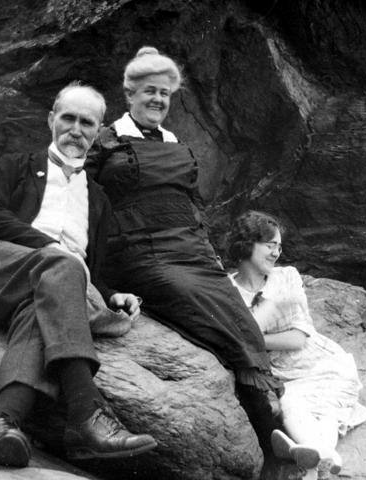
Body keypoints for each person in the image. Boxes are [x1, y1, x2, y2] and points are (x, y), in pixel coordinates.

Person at [0, 82, 157, 467]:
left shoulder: (99, 199)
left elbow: (93, 269)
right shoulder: (15, 165)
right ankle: (86, 412)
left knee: (47, 308)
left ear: (99, 131)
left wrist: (112, 293)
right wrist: (47, 248)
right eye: (67, 118)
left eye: (86, 122)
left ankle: (3, 426)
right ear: (51, 119)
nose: (75, 129)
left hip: (50, 291)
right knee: (62, 265)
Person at [85, 46, 284, 448]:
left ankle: (277, 430)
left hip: (189, 249)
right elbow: (83, 199)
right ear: (130, 94)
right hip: (139, 251)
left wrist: (208, 253)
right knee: (196, 303)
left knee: (239, 319)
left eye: (165, 93)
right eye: (149, 91)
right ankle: (269, 426)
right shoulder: (106, 140)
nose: (158, 100)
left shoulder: (177, 144)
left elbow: (193, 205)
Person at [229, 210, 366, 479]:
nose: (276, 253)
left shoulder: (287, 277)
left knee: (322, 409)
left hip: (320, 364)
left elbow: (296, 339)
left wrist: (251, 337)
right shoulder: (227, 289)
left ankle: (304, 452)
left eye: (279, 247)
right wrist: (249, 335)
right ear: (247, 243)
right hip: (282, 375)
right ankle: (318, 458)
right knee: (293, 404)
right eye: (270, 245)